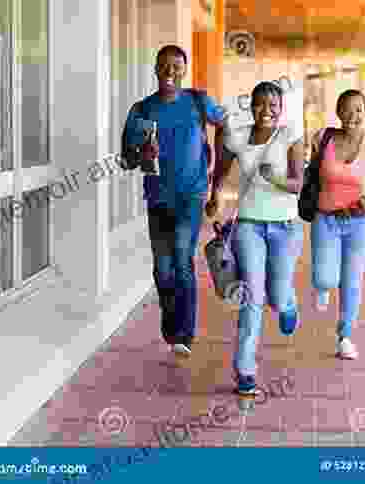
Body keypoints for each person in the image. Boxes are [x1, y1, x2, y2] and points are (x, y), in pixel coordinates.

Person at [121, 45, 227, 356]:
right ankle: (171, 322)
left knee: (182, 260)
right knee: (162, 270)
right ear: (155, 69)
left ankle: (185, 333)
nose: (170, 71)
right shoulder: (141, 111)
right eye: (164, 65)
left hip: (191, 197)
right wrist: (142, 153)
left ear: (185, 69)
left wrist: (216, 180)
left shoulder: (198, 102)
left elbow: (226, 126)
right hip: (157, 199)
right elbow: (126, 160)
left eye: (177, 65)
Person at [209, 81, 306, 395]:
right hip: (249, 225)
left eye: (273, 104)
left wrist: (274, 178)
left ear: (281, 108)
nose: (267, 110)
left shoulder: (290, 134)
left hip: (285, 227)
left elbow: (298, 184)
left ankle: (289, 305)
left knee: (277, 296)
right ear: (252, 106)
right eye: (261, 103)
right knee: (253, 295)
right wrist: (215, 196)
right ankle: (245, 370)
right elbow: (220, 169)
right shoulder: (238, 137)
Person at [310, 89, 365, 360]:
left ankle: (345, 336)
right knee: (323, 278)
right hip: (325, 219)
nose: (354, 115)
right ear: (338, 113)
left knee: (352, 281)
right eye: (348, 109)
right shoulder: (322, 139)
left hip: (357, 222)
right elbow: (310, 174)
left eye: (359, 110)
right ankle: (322, 287)